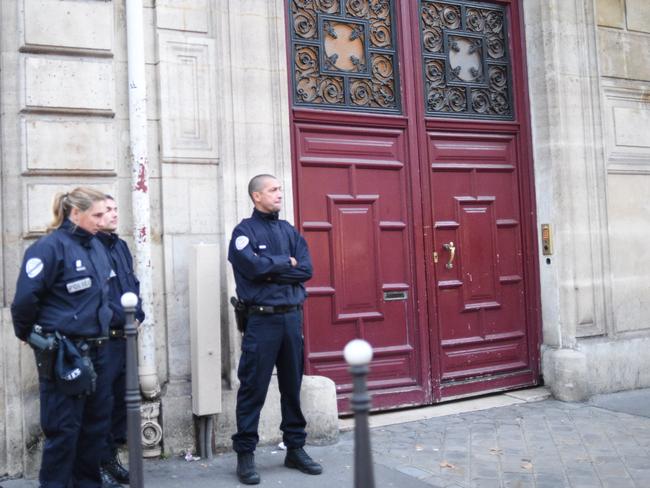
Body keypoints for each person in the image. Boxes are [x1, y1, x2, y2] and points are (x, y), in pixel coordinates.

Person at [11, 187, 116, 488]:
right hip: (65, 354)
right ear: (75, 213)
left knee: (95, 430)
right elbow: (24, 302)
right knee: (63, 432)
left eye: (104, 214)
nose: (102, 220)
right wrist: (30, 337)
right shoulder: (48, 248)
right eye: (96, 215)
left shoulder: (96, 247)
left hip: (99, 350)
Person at [229, 174, 322, 485]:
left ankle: (295, 448)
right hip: (262, 321)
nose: (280, 194)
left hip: (291, 319)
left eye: (280, 189)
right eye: (273, 189)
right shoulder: (243, 232)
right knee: (253, 387)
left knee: (292, 386)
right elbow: (252, 268)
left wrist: (273, 268)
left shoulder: (289, 231)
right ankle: (245, 455)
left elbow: (306, 269)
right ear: (257, 196)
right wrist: (287, 264)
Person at [96, 195, 144, 487]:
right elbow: (98, 296)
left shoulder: (120, 246)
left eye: (116, 208)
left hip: (126, 337)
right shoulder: (90, 248)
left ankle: (110, 459)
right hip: (105, 340)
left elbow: (132, 284)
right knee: (100, 404)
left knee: (119, 406)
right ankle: (95, 464)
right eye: (108, 210)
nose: (115, 214)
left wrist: (138, 314)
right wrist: (124, 318)